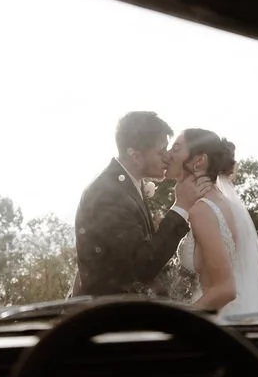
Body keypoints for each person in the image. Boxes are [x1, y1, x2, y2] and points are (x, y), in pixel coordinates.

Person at [71, 112, 212, 297]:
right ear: (136, 156)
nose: (167, 157)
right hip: (109, 316)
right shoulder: (108, 194)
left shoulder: (124, 186)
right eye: (161, 151)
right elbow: (142, 265)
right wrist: (181, 206)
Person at [165, 128, 258, 317]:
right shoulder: (221, 202)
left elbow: (225, 290)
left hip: (211, 323)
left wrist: (176, 322)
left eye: (176, 148)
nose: (168, 154)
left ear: (199, 160)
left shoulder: (202, 210)